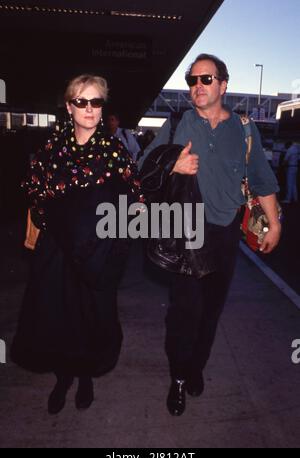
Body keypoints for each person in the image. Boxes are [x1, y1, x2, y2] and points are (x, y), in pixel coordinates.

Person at [139, 54, 281, 417]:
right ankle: (179, 378)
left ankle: (195, 366)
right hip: (185, 232)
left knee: (210, 312)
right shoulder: (177, 123)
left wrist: (274, 222)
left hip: (224, 235)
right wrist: (174, 164)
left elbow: (261, 179)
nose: (197, 86)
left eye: (205, 79)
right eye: (192, 80)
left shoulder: (244, 129)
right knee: (184, 312)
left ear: (223, 84)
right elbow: (143, 168)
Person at [11, 75, 142, 415]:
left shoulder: (114, 152)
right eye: (81, 101)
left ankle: (86, 377)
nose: (88, 108)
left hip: (97, 252)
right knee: (58, 316)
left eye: (96, 101)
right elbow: (34, 194)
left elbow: (134, 199)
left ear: (103, 108)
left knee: (92, 318)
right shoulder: (49, 151)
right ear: (69, 106)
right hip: (56, 252)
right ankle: (63, 377)